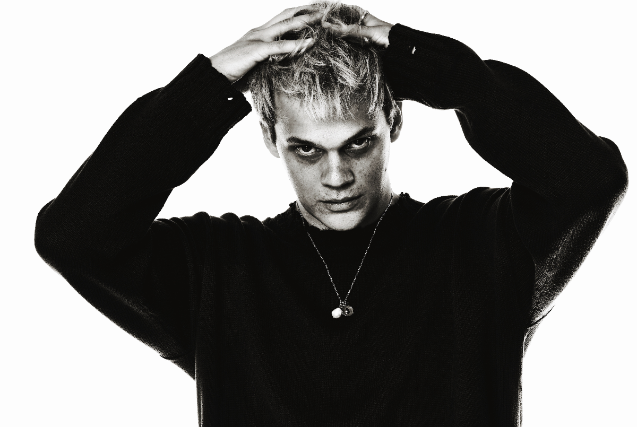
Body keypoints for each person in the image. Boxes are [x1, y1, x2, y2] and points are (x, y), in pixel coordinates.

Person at [34, 1, 628, 425]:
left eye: (358, 142)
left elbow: (589, 179)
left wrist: (442, 68)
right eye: (307, 149)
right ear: (270, 137)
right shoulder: (219, 270)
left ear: (394, 120)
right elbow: (73, 235)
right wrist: (208, 88)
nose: (337, 176)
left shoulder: (485, 247)